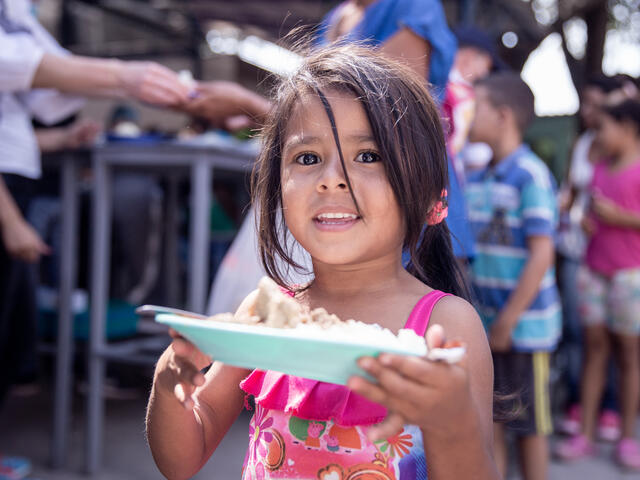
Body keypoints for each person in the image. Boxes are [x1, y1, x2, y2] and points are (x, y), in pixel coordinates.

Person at [147, 44, 499, 480]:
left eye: (369, 156)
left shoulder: (444, 327)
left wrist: (451, 420)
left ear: (428, 193)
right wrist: (170, 384)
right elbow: (181, 461)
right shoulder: (265, 314)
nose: (332, 178)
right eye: (308, 158)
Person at [465, 72, 561, 480]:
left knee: (529, 428)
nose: (468, 114)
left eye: (477, 105)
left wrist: (507, 322)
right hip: (490, 328)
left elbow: (542, 255)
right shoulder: (478, 176)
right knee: (494, 422)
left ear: (503, 116)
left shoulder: (530, 176)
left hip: (523, 330)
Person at [555, 98, 640, 471]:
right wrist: (591, 221)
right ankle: (585, 434)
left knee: (628, 356)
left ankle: (626, 438)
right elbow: (590, 212)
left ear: (628, 127)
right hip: (594, 269)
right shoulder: (600, 168)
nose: (598, 136)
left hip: (630, 274)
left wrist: (619, 217)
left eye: (603, 127)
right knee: (594, 350)